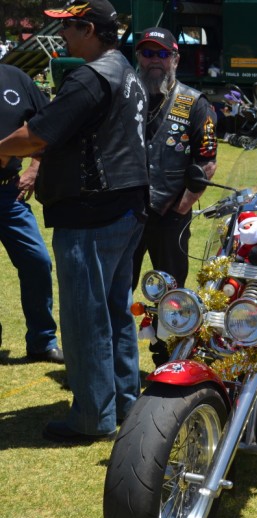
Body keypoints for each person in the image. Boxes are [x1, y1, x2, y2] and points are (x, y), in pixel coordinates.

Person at [0, 0, 149, 444]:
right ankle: (124, 403)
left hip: (91, 213)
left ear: (90, 30)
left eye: (69, 27)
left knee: (86, 319)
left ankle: (92, 418)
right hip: (125, 207)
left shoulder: (90, 77)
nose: (62, 35)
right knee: (115, 312)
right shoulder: (125, 70)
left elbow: (37, 135)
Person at [131, 27, 218, 364]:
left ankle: (168, 358)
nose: (154, 60)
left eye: (162, 54)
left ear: (175, 59)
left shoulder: (194, 103)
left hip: (170, 214)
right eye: (147, 53)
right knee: (118, 286)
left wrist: (181, 208)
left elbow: (206, 163)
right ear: (138, 57)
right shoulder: (128, 97)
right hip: (127, 210)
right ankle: (116, 358)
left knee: (172, 293)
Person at [0, 65, 63, 364]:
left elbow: (52, 123)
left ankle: (41, 342)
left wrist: (35, 168)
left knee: (38, 261)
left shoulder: (16, 78)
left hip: (8, 195)